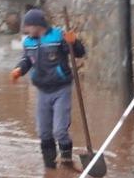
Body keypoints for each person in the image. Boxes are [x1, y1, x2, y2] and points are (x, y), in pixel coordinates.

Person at [10, 9, 86, 168]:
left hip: (61, 89)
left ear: (37, 25)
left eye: (28, 27)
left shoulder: (58, 36)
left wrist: (74, 42)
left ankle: (66, 162)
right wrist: (19, 70)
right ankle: (49, 169)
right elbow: (26, 60)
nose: (25, 30)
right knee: (44, 132)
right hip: (42, 91)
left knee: (60, 131)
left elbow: (79, 53)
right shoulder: (28, 42)